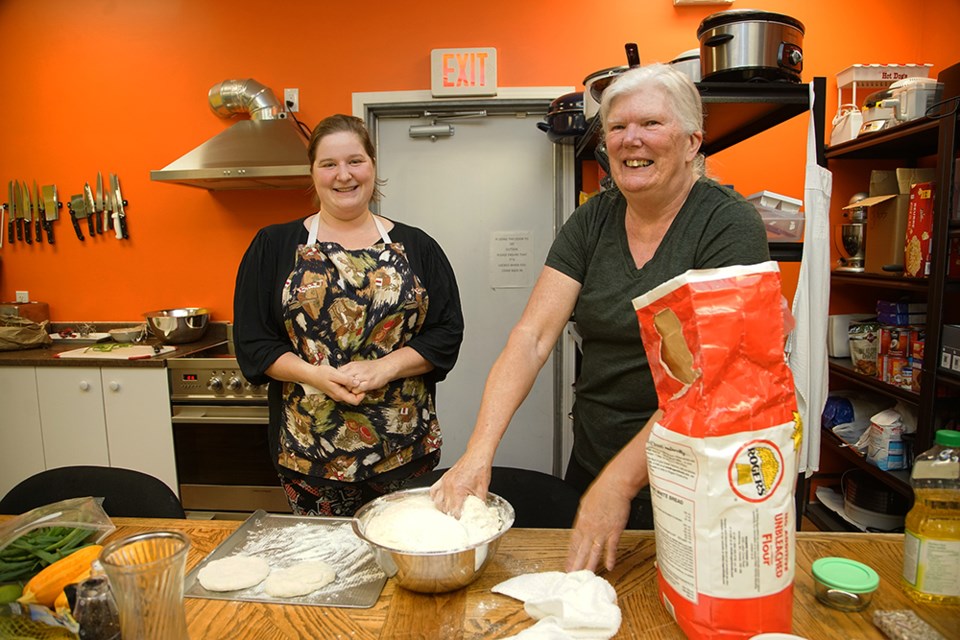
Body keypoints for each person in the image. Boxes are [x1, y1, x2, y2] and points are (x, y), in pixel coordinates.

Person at [431, 63, 778, 572]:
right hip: (594, 460)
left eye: (651, 124)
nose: (630, 140)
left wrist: (620, 483)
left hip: (695, 474)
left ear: (692, 143)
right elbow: (532, 336)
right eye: (617, 127)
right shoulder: (593, 219)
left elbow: (711, 378)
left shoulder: (726, 224)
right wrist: (477, 452)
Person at [234, 114, 464, 517]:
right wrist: (314, 375)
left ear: (373, 166)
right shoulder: (273, 246)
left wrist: (387, 368)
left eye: (355, 161)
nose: (344, 175)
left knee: (402, 562)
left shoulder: (418, 246)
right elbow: (254, 342)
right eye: (329, 164)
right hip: (310, 457)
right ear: (313, 173)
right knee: (329, 568)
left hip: (404, 452)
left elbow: (446, 333)